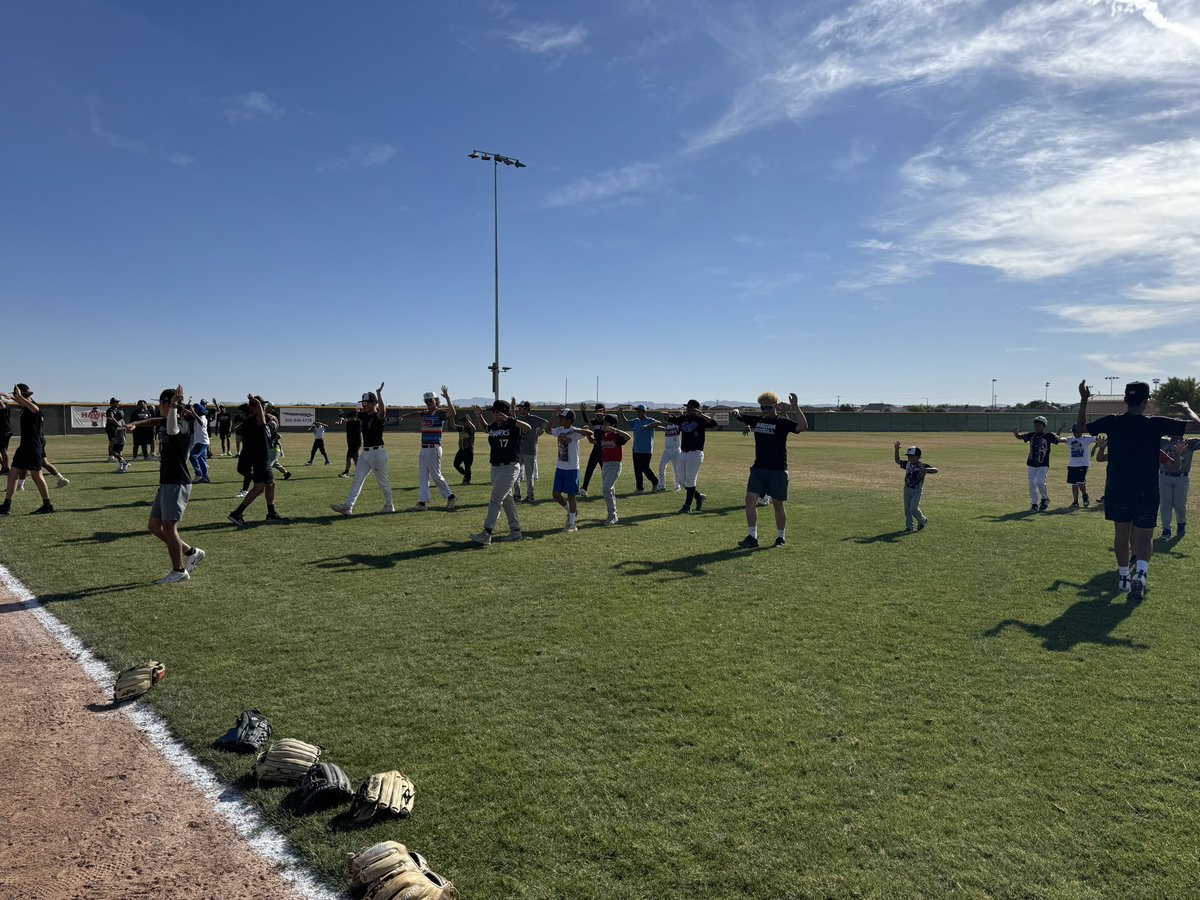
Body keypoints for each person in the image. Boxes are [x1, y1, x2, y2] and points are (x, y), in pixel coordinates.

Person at [1082, 379, 1200, 599]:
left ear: (1126, 400)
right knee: (1145, 536)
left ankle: (1124, 575)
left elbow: (1080, 428)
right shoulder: (1155, 424)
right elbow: (1197, 425)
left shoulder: (1113, 422)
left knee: (1121, 534)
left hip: (1118, 487)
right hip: (1145, 488)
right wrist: (1186, 409)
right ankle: (1142, 574)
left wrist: (1084, 400)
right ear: (1146, 401)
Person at [124, 385, 206, 584]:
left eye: (161, 404)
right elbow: (155, 421)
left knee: (169, 527)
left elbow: (171, 428)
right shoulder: (165, 420)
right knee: (154, 526)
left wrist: (174, 406)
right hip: (166, 482)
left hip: (177, 482)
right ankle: (191, 552)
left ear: (164, 404)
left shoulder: (183, 424)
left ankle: (179, 571)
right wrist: (137, 423)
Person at [732, 392, 807, 547]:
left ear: (775, 406)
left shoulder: (783, 422)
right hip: (758, 469)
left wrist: (795, 407)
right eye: (762, 407)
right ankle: (752, 537)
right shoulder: (758, 420)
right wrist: (736, 412)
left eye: (767, 407)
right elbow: (740, 416)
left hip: (778, 470)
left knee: (778, 504)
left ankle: (780, 537)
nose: (765, 410)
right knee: (750, 500)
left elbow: (802, 426)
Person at [469, 400, 531, 545]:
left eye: (494, 412)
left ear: (501, 412)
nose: (493, 414)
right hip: (496, 467)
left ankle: (487, 532)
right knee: (507, 500)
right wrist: (479, 416)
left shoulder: (512, 424)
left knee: (495, 499)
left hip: (509, 466)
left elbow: (528, 428)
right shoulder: (495, 426)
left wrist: (509, 418)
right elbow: (485, 428)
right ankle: (516, 532)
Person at [330, 385, 394, 516]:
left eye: (366, 402)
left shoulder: (378, 415)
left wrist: (379, 394)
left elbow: (383, 410)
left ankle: (389, 506)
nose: (363, 405)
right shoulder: (364, 415)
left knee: (382, 482)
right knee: (357, 479)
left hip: (377, 453)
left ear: (373, 403)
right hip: (366, 453)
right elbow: (354, 414)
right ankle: (348, 507)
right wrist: (344, 418)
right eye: (363, 402)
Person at [228, 395, 287, 526]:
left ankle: (271, 513)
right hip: (259, 459)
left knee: (271, 484)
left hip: (264, 457)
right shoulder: (252, 421)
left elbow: (267, 425)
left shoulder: (260, 418)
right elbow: (261, 423)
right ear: (253, 408)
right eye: (261, 406)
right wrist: (259, 405)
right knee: (259, 487)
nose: (265, 408)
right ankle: (237, 513)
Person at [399, 387, 458, 511]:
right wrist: (404, 416)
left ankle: (451, 496)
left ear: (436, 401)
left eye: (430, 401)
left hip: (434, 448)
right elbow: (416, 413)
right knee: (423, 476)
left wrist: (447, 397)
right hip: (424, 448)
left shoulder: (440, 413)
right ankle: (422, 502)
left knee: (436, 475)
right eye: (426, 401)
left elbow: (453, 413)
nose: (428, 403)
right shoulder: (425, 413)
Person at [0, 385, 54, 515]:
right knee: (12, 475)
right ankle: (6, 506)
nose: (16, 399)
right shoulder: (24, 407)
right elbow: (18, 401)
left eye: (18, 395)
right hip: (23, 447)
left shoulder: (33, 407)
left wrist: (19, 397)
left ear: (24, 394)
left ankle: (47, 505)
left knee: (37, 476)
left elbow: (35, 409)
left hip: (33, 447)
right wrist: (9, 396)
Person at [665, 400, 719, 513]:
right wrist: (668, 416)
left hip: (695, 454)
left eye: (689, 408)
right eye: (687, 407)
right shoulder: (684, 418)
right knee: (680, 480)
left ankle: (687, 506)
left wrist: (701, 414)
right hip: (683, 453)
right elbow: (673, 420)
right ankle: (698, 497)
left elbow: (714, 424)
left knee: (690, 480)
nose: (687, 409)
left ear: (695, 409)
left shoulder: (701, 420)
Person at [549, 409, 592, 533]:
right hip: (560, 467)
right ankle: (571, 511)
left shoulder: (575, 432)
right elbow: (547, 430)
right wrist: (553, 417)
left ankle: (572, 524)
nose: (560, 419)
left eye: (562, 417)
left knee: (571, 495)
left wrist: (575, 430)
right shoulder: (559, 430)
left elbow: (589, 432)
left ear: (568, 419)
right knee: (556, 494)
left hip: (572, 468)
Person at [1012, 415, 1062, 511]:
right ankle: (1034, 504)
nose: (1036, 426)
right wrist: (1015, 433)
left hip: (1043, 464)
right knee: (1032, 484)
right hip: (1031, 463)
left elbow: (1057, 440)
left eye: (1039, 425)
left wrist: (1059, 432)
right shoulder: (1031, 435)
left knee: (1039, 481)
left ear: (1044, 426)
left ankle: (1044, 498)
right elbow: (1020, 437)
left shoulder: (1048, 436)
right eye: (1035, 425)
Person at [1159, 434, 1200, 539]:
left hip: (1181, 477)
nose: (1176, 438)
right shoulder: (1164, 442)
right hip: (1165, 475)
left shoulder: (1189, 443)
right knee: (1165, 504)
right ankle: (1166, 529)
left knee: (1180, 505)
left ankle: (1181, 524)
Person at [893, 441, 939, 532]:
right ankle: (909, 527)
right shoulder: (908, 464)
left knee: (913, 508)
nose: (910, 458)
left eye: (912, 457)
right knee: (907, 509)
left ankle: (922, 520)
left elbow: (935, 470)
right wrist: (896, 450)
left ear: (918, 457)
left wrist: (925, 469)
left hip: (917, 490)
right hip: (907, 489)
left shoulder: (922, 465)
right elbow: (897, 461)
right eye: (909, 456)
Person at [618, 404, 660, 494]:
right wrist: (621, 414)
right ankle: (640, 488)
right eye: (637, 411)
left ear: (644, 412)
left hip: (646, 450)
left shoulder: (650, 420)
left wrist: (648, 426)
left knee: (645, 468)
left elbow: (658, 423)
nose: (637, 412)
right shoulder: (635, 421)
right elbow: (625, 423)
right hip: (636, 449)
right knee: (637, 469)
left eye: (639, 411)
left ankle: (655, 481)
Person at [598, 415, 631, 525]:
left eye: (606, 423)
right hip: (605, 465)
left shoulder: (616, 436)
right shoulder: (603, 436)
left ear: (612, 425)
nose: (603, 425)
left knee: (606, 489)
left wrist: (615, 430)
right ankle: (613, 515)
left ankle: (612, 516)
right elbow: (594, 442)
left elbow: (628, 437)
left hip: (615, 465)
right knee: (609, 490)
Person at [513, 400, 547, 502]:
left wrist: (538, 433)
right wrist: (511, 406)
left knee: (529, 475)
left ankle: (530, 496)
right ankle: (517, 494)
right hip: (518, 450)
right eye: (519, 408)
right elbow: (513, 420)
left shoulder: (533, 418)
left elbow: (545, 422)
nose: (519, 409)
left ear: (527, 409)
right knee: (515, 474)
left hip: (529, 451)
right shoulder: (518, 419)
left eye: (521, 408)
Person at [1058, 423, 1097, 509]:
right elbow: (1058, 439)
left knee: (1080, 482)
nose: (1076, 434)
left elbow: (1097, 439)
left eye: (1078, 432)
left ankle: (1084, 495)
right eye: (1075, 432)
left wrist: (1095, 447)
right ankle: (1075, 501)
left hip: (1083, 464)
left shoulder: (1086, 438)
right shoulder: (1070, 439)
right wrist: (1060, 429)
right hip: (1072, 464)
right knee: (1074, 484)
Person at [578, 402, 607, 496]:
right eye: (597, 411)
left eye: (601, 411)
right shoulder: (594, 421)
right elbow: (587, 421)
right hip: (596, 448)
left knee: (605, 470)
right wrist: (583, 412)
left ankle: (607, 488)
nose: (599, 413)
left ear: (604, 411)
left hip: (605, 449)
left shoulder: (607, 421)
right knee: (590, 468)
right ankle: (584, 488)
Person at [650, 412, 682, 493]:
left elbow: (676, 420)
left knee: (676, 468)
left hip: (676, 450)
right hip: (667, 450)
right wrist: (659, 426)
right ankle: (662, 486)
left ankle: (677, 486)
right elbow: (665, 429)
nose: (668, 419)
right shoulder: (668, 427)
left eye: (670, 418)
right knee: (661, 467)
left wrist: (672, 415)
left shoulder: (678, 426)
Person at [188, 402, 210, 483]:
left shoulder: (203, 419)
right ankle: (205, 477)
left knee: (192, 456)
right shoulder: (199, 416)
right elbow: (194, 416)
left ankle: (199, 474)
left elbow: (200, 422)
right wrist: (186, 409)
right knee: (201, 460)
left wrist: (193, 411)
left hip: (202, 442)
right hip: (202, 441)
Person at [451, 414, 476, 484]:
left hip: (468, 450)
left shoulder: (470, 430)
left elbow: (474, 428)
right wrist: (451, 416)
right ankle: (466, 474)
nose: (464, 423)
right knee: (456, 464)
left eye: (465, 421)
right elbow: (453, 425)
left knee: (467, 466)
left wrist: (468, 421)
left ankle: (467, 481)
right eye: (464, 422)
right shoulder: (461, 428)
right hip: (461, 450)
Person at [104, 397, 123, 462]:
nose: (118, 403)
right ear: (112, 403)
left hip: (115, 428)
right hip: (111, 428)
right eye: (116, 402)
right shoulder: (110, 410)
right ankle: (110, 456)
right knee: (112, 441)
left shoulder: (117, 410)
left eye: (118, 402)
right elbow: (111, 419)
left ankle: (113, 455)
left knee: (115, 442)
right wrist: (117, 424)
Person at [0, 394, 10, 476]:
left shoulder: (4, 406)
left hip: (4, 431)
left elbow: (2, 405)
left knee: (3, 450)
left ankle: (6, 469)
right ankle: (4, 467)